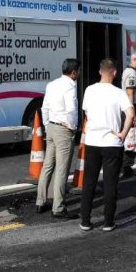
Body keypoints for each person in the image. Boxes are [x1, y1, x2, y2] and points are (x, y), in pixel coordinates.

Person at [79, 59, 135, 232]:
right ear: (115, 73)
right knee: (110, 183)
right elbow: (130, 113)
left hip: (92, 141)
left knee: (89, 182)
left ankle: (86, 221)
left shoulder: (89, 90)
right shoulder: (118, 93)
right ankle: (108, 222)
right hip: (112, 142)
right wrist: (123, 133)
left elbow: (87, 113)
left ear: (99, 72)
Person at [36, 58, 80, 217]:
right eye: (78, 71)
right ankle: (58, 207)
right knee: (62, 169)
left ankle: (40, 201)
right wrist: (73, 128)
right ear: (74, 72)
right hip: (63, 129)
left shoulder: (51, 84)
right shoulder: (70, 86)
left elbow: (44, 108)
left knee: (48, 165)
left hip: (52, 128)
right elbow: (71, 110)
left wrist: (47, 127)